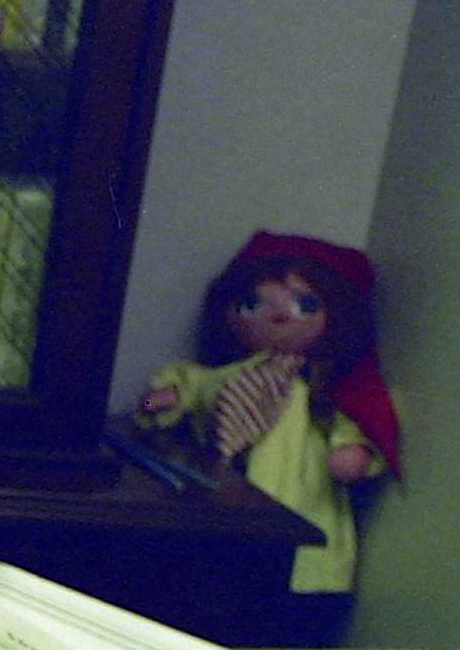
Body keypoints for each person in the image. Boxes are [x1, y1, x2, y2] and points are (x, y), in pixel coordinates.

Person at [135, 231, 404, 600]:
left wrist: (354, 452)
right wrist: (172, 395)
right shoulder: (232, 376)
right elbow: (197, 383)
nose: (278, 315)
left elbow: (350, 423)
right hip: (224, 512)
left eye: (305, 305)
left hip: (301, 518)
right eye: (252, 303)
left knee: (284, 605)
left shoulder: (322, 389)